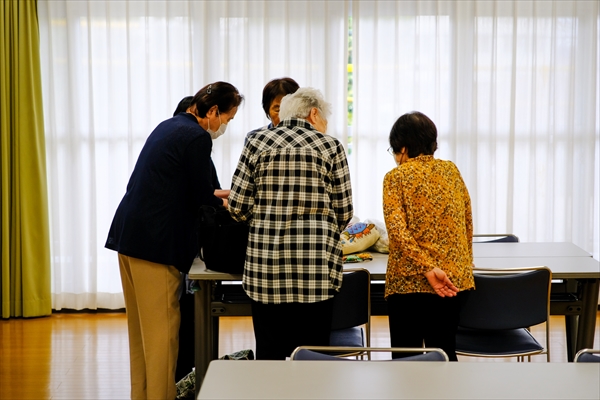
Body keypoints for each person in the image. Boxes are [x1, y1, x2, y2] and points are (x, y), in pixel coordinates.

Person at [105, 82, 244, 399]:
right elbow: (200, 197)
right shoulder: (196, 136)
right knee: (162, 338)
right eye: (228, 118)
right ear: (212, 112)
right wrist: (230, 203)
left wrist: (219, 195)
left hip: (129, 237)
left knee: (142, 336)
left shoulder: (170, 126)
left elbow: (186, 185)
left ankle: (141, 395)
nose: (225, 126)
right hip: (155, 246)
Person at [228, 87, 353, 360]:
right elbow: (344, 212)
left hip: (266, 272)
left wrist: (266, 216)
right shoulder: (330, 146)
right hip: (317, 273)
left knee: (270, 355)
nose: (325, 126)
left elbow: (237, 207)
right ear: (314, 113)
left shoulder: (256, 141)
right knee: (313, 356)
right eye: (325, 120)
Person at [382, 111, 474, 361]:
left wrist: (426, 268)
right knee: (444, 355)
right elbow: (466, 220)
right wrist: (463, 264)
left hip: (408, 284)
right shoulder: (450, 171)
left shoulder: (395, 177)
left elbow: (397, 232)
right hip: (451, 284)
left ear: (402, 148)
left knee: (406, 360)